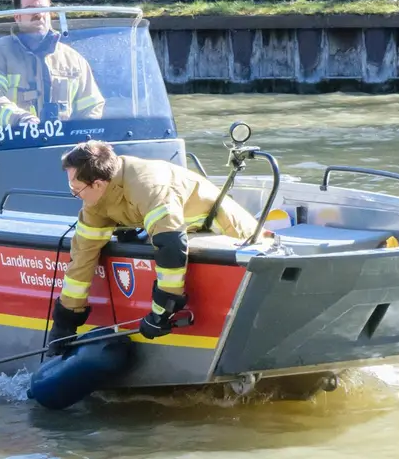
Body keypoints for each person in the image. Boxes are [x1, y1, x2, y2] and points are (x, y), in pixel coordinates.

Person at [48, 140, 261, 345]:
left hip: (229, 232)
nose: (75, 194)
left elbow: (171, 246)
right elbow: (82, 257)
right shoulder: (96, 200)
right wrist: (65, 321)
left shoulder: (148, 186)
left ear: (98, 184)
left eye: (76, 190)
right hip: (183, 232)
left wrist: (163, 312)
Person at [0, 0, 105, 139]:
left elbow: (92, 105)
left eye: (44, 9)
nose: (38, 14)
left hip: (65, 152)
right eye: (30, 9)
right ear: (17, 17)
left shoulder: (74, 60)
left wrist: (80, 141)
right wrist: (22, 120)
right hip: (11, 149)